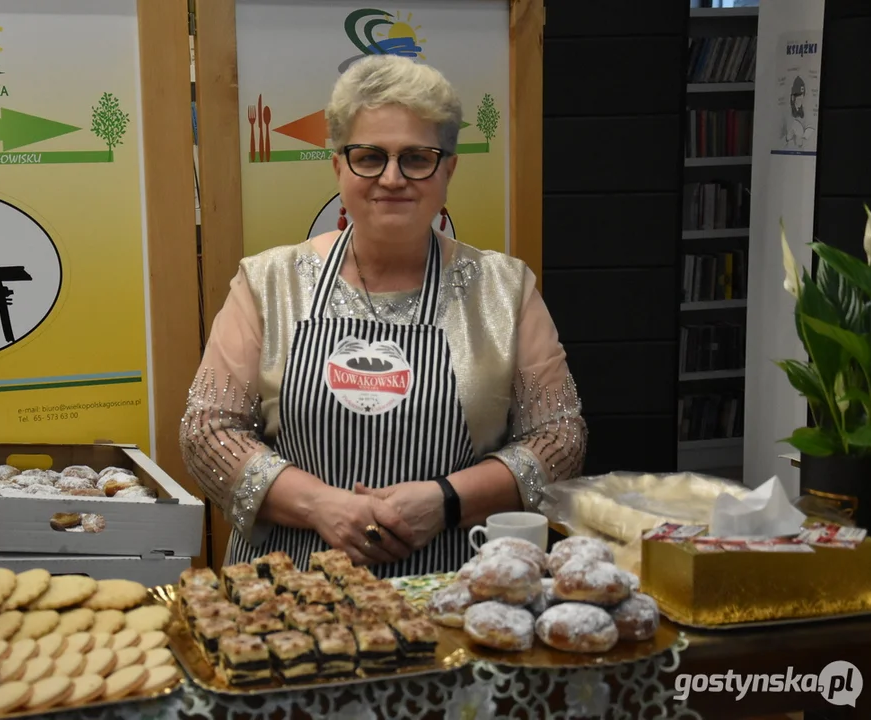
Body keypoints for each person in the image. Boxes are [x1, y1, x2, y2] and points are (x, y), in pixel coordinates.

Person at [180, 54, 586, 577]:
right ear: (337, 166)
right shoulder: (268, 282)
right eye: (369, 157)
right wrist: (322, 506)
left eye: (417, 157)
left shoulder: (505, 290)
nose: (392, 178)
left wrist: (446, 500)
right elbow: (207, 431)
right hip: (287, 599)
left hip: (455, 595)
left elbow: (559, 439)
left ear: (449, 169)